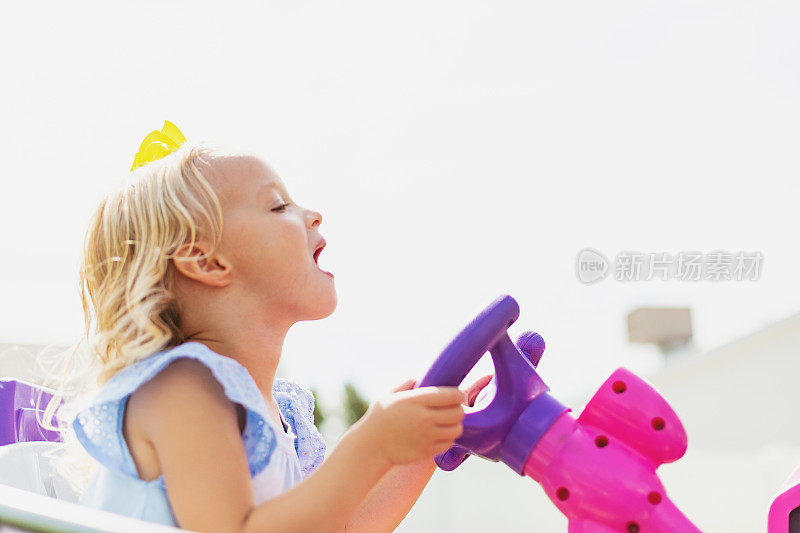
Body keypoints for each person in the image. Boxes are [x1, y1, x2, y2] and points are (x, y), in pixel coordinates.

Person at [49, 121, 492, 532]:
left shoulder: (275, 413)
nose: (313, 214)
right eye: (279, 205)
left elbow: (341, 526)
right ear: (206, 261)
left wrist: (424, 448)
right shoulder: (182, 389)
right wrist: (373, 443)